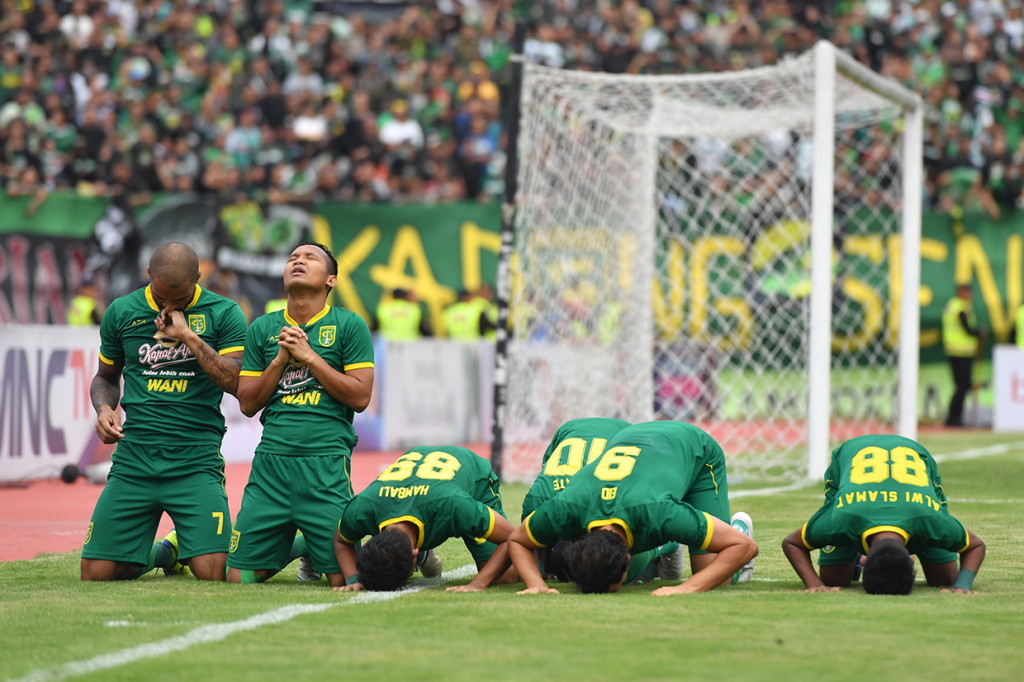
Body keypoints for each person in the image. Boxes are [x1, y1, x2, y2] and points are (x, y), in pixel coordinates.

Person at [81, 242, 247, 581]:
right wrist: (103, 408)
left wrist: (189, 336)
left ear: (199, 278)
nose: (168, 306)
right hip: (135, 459)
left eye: (179, 299)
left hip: (195, 459)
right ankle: (165, 553)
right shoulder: (122, 311)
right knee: (96, 573)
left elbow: (236, 383)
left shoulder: (224, 312)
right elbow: (105, 377)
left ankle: (180, 548)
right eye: (161, 297)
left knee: (214, 574)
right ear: (148, 275)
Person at [227, 242, 374, 587]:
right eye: (292, 257)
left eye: (310, 258)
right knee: (239, 578)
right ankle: (304, 544)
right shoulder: (263, 328)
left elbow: (361, 396)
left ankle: (411, 549)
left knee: (347, 580)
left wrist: (309, 357)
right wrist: (279, 361)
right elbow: (247, 403)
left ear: (331, 280)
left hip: (324, 464)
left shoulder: (349, 325)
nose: (298, 261)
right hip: (271, 466)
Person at [488, 421, 758, 595]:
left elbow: (744, 548)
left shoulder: (659, 513)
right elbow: (517, 539)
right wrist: (537, 585)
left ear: (629, 560)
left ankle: (737, 526)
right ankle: (668, 546)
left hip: (693, 447)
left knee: (715, 580)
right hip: (631, 438)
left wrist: (686, 588)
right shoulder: (566, 509)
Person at [781, 434, 985, 594]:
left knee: (945, 581)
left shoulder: (930, 519)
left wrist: (962, 584)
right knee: (835, 580)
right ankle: (852, 556)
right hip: (851, 459)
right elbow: (791, 543)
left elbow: (976, 546)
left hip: (913, 468)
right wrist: (815, 584)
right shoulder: (842, 516)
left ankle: (854, 551)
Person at [520, 417, 684, 585]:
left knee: (622, 559)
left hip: (624, 436)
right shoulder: (540, 501)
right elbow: (527, 539)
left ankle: (670, 543)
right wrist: (539, 571)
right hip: (573, 430)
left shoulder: (549, 501)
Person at [333, 445, 516, 592]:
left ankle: (545, 556)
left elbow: (512, 537)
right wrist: (353, 579)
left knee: (504, 577)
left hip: (472, 473)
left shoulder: (454, 506)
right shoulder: (363, 507)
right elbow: (341, 540)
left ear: (414, 554)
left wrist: (478, 584)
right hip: (424, 477)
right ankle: (426, 554)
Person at [942, 283, 984, 427]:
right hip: (962, 352)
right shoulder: (961, 307)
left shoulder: (951, 305)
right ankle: (953, 417)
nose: (970, 296)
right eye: (968, 292)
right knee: (963, 386)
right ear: (962, 292)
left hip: (953, 350)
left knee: (960, 385)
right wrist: (978, 333)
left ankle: (953, 417)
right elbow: (966, 328)